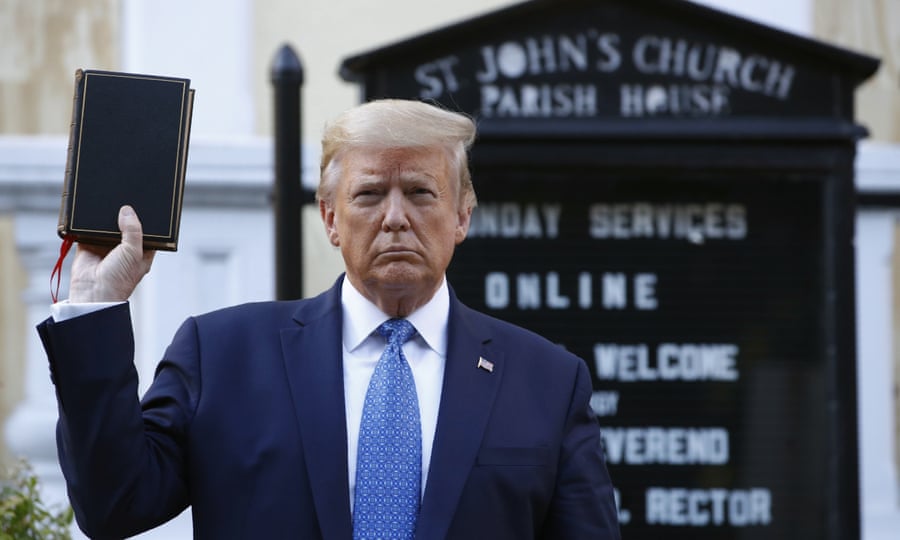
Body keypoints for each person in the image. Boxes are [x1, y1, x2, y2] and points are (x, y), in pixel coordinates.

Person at [37, 99, 621, 539]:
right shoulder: (223, 355)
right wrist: (95, 307)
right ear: (330, 218)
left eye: (420, 192)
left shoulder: (546, 380)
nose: (395, 218)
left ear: (462, 216)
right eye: (369, 195)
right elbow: (113, 505)